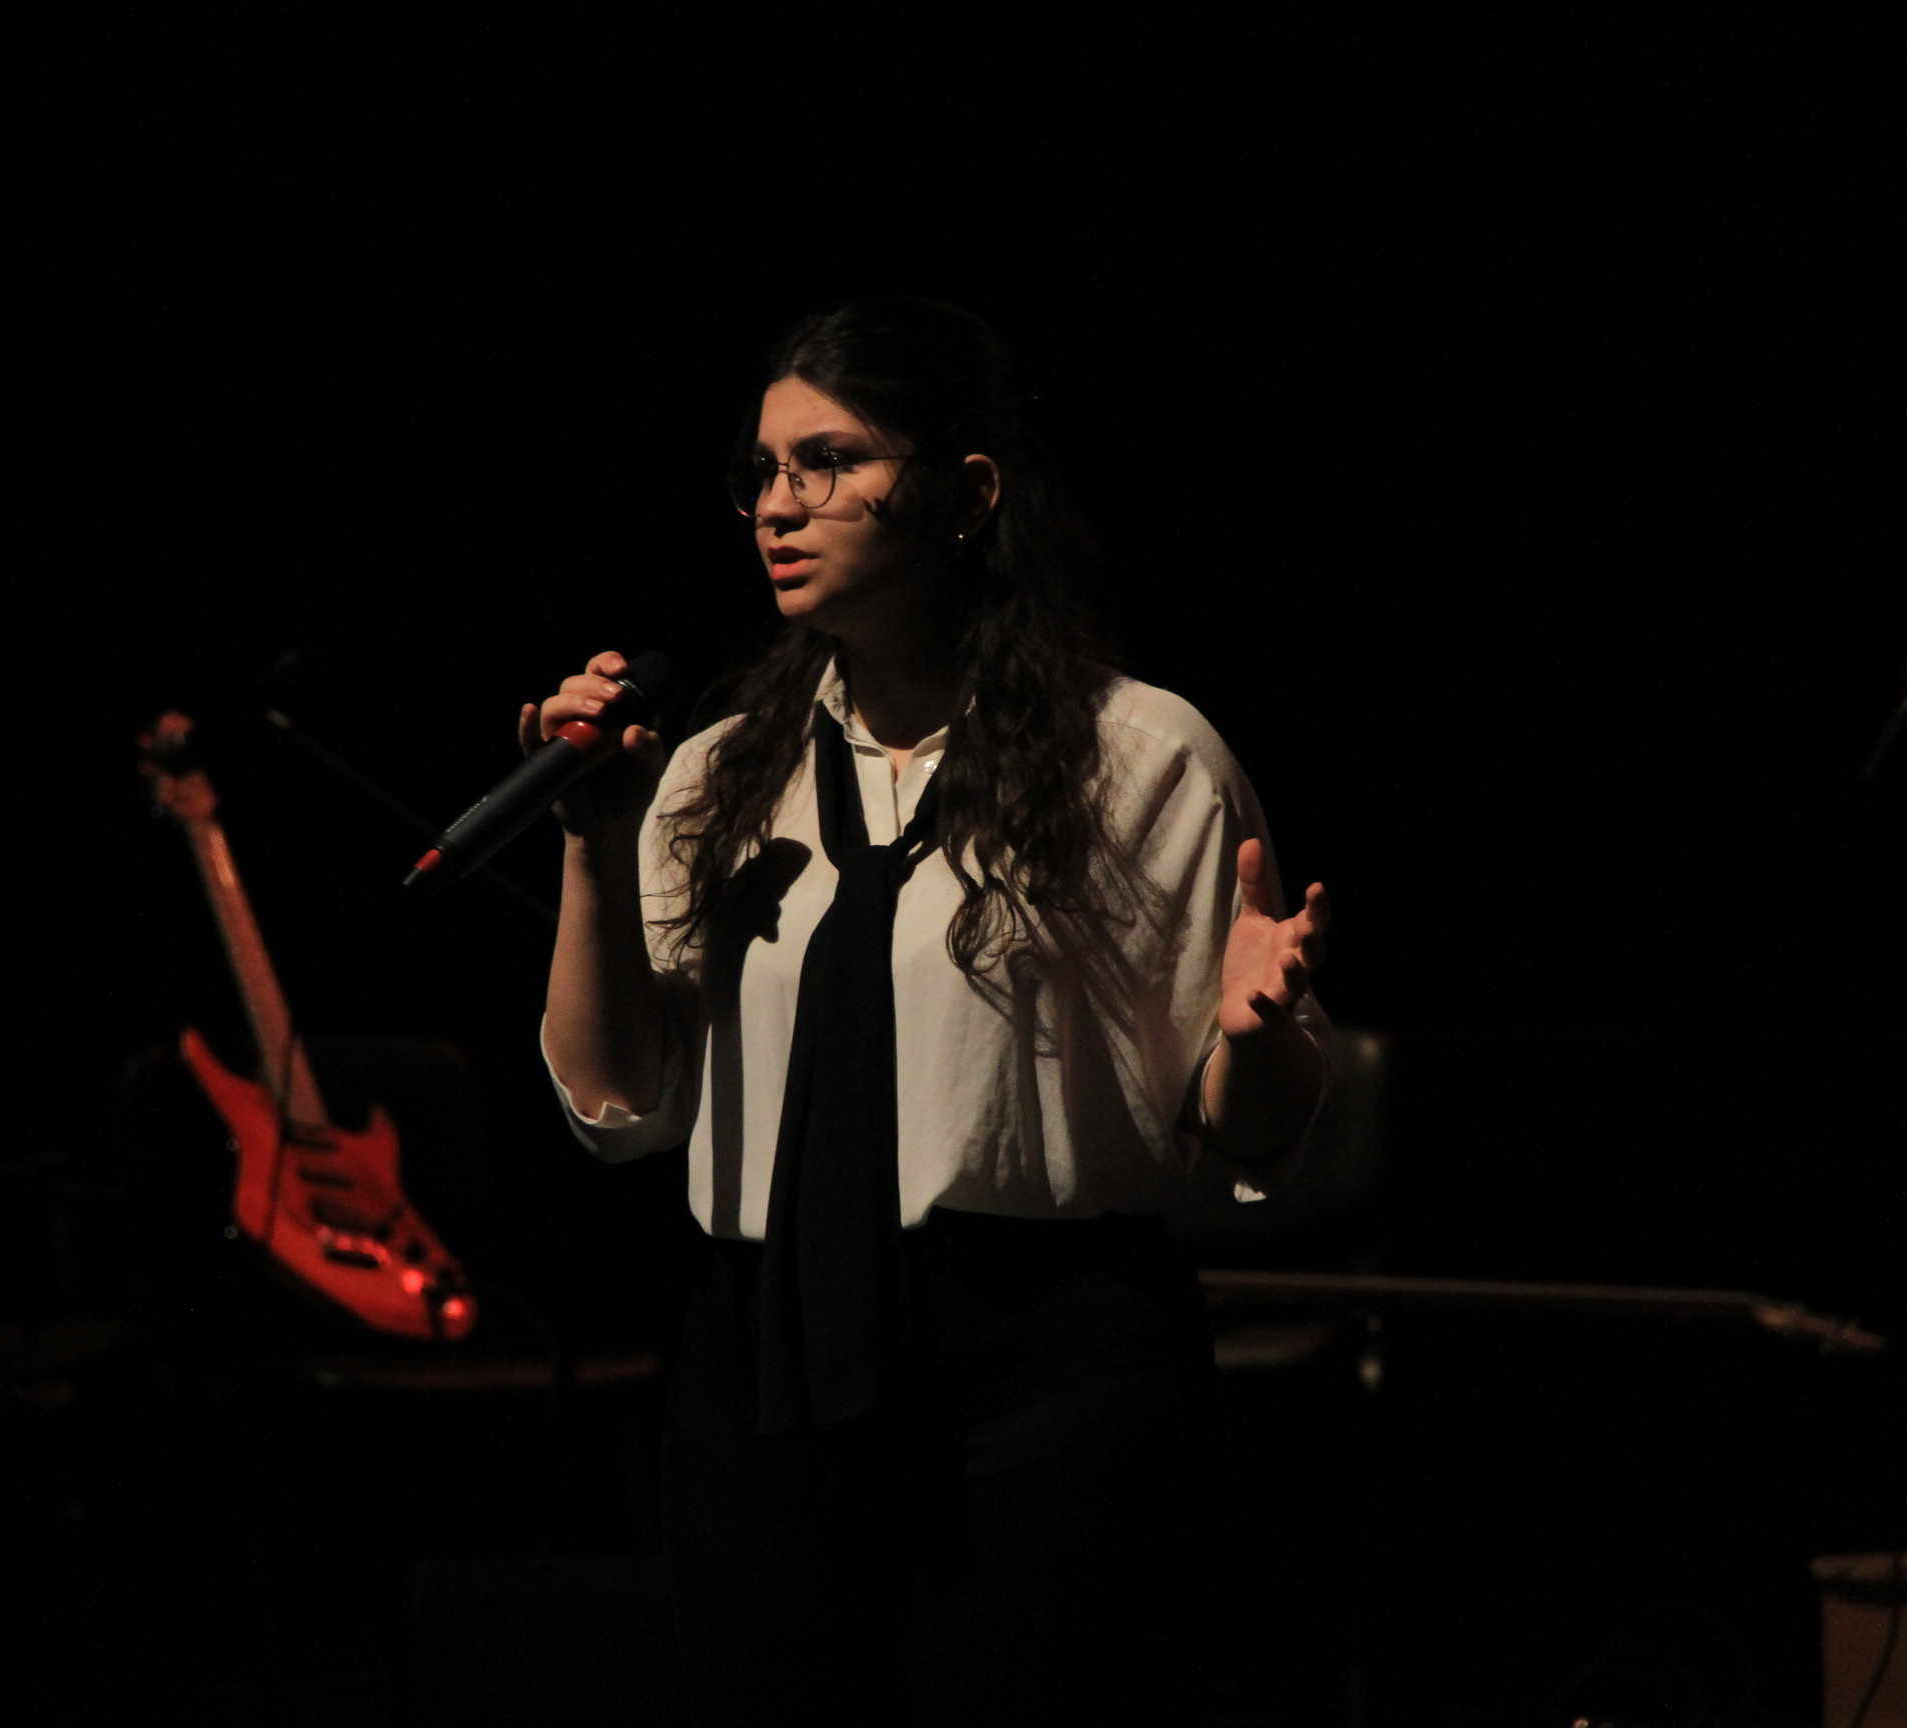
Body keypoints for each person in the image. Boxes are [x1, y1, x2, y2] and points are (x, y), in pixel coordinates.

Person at [525, 298, 1331, 1725]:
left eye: (829, 462)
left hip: (1042, 1368)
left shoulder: (1139, 758)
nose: (780, 506)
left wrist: (1260, 1042)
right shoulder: (717, 774)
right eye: (762, 472)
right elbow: (621, 1110)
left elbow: (1238, 1134)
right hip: (762, 1360)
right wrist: (593, 844)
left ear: (967, 493)